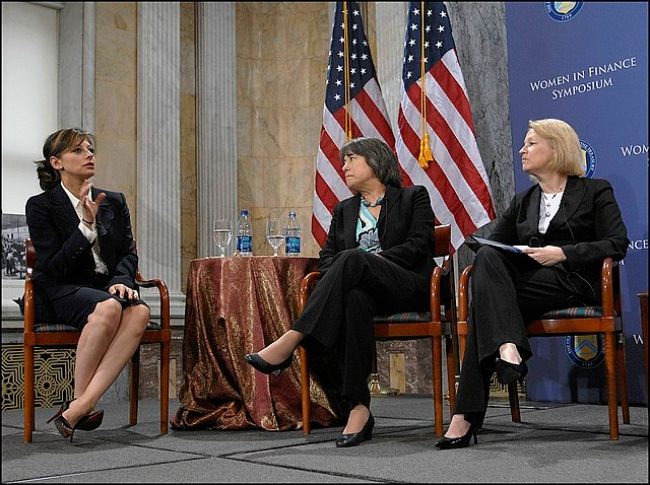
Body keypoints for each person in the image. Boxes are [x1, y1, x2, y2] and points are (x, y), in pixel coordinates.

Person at [437, 118, 629, 449]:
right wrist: (513, 253)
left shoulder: (596, 191)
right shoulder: (524, 200)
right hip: (530, 285)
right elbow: (494, 249)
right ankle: (508, 348)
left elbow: (616, 244)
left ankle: (466, 415)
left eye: (531, 144)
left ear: (555, 149)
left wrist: (562, 253)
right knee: (486, 260)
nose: (522, 150)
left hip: (572, 282)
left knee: (486, 308)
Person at [245, 137, 436, 447]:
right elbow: (327, 258)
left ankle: (293, 337)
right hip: (366, 293)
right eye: (343, 160)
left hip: (407, 285)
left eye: (351, 160)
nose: (344, 166)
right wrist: (357, 266)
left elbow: (419, 245)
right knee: (352, 299)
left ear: (374, 162)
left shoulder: (413, 198)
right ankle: (358, 408)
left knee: (353, 258)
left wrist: (368, 262)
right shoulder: (344, 209)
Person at [25, 128, 150, 441]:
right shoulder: (40, 205)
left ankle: (80, 407)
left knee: (139, 312)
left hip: (104, 292)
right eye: (78, 150)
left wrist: (122, 281)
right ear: (57, 163)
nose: (89, 154)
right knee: (108, 307)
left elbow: (128, 253)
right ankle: (82, 406)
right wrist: (85, 227)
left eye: (90, 149)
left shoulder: (114, 201)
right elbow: (52, 267)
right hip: (56, 292)